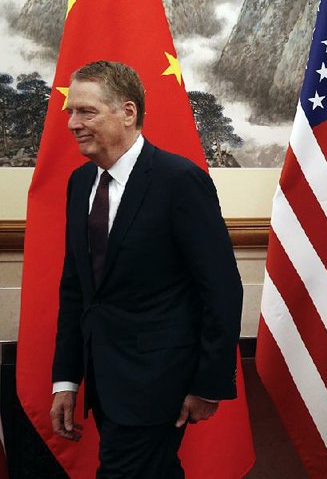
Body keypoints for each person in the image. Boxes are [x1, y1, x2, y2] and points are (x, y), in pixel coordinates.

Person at [49, 61, 243, 478]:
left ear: (128, 112)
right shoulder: (81, 183)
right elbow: (76, 289)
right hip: (104, 383)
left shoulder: (179, 181)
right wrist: (66, 380)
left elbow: (222, 289)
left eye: (85, 112)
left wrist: (209, 384)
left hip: (159, 383)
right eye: (70, 112)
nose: (72, 124)